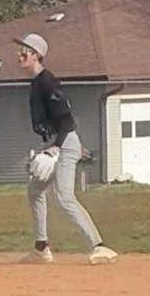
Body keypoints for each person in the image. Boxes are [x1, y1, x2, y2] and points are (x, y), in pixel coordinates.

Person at [15, 33, 118, 265]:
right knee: (35, 191)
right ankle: (41, 248)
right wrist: (45, 149)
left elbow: (67, 121)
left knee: (63, 196)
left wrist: (56, 149)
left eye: (23, 51)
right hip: (54, 142)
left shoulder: (47, 81)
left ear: (35, 55)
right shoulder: (36, 82)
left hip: (64, 143)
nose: (19, 55)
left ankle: (99, 246)